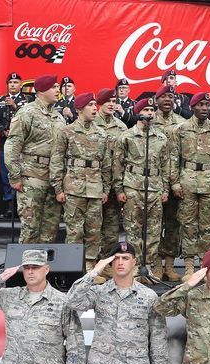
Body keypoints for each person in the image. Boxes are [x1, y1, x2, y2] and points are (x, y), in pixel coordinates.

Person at [171, 92, 210, 282]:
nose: (205, 108)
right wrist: (175, 182)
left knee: (207, 226)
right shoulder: (181, 129)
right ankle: (189, 267)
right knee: (188, 225)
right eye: (201, 105)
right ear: (193, 107)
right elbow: (173, 159)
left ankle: (204, 266)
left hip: (209, 181)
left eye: (207, 105)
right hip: (187, 180)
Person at [50, 92, 111, 271]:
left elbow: (106, 164)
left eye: (95, 105)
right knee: (74, 230)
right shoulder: (66, 131)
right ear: (79, 109)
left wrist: (105, 189)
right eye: (90, 105)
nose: (95, 108)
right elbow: (57, 160)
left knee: (94, 231)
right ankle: (74, 268)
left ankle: (91, 268)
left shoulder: (101, 133)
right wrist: (57, 188)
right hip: (73, 189)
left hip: (95, 188)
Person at [4, 75, 66, 244]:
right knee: (30, 228)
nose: (57, 90)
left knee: (50, 229)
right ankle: (27, 268)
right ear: (40, 91)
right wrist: (15, 176)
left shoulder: (59, 117)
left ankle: (43, 269)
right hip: (31, 177)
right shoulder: (27, 112)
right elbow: (12, 145)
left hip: (53, 180)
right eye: (53, 87)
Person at [113, 97, 171, 280]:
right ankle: (136, 268)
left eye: (152, 110)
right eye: (145, 110)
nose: (149, 113)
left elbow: (166, 165)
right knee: (133, 229)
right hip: (133, 186)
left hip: (154, 187)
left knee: (153, 230)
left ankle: (149, 267)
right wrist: (119, 189)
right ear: (138, 112)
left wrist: (166, 189)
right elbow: (118, 164)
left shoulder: (161, 137)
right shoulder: (127, 136)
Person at [152, 85, 186, 281]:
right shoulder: (148, 121)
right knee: (155, 225)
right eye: (163, 96)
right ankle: (156, 265)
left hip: (177, 182)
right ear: (156, 100)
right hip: (155, 182)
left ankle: (170, 266)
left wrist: (177, 182)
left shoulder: (182, 124)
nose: (167, 100)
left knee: (173, 224)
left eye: (170, 97)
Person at [96, 88, 130, 281]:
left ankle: (107, 264)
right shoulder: (91, 123)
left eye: (114, 101)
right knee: (91, 228)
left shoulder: (121, 127)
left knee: (111, 228)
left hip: (114, 183)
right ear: (100, 103)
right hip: (92, 182)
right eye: (107, 101)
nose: (111, 104)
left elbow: (124, 158)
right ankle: (89, 265)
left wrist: (120, 187)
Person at [0, 72, 33, 219]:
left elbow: (30, 118)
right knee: (6, 176)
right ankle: (10, 208)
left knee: (24, 176)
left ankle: (24, 208)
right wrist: (2, 130)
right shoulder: (0, 100)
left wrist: (15, 106)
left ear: (21, 84)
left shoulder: (28, 100)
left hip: (24, 145)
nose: (13, 85)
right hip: (5, 143)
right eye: (10, 82)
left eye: (16, 82)